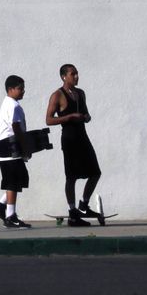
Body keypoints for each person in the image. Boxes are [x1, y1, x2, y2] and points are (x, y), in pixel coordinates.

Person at [45, 63, 102, 224]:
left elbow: (86, 113)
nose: (76, 77)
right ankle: (72, 211)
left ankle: (83, 204)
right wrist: (69, 117)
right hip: (69, 139)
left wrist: (86, 117)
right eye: (73, 74)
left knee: (95, 172)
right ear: (64, 76)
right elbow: (49, 119)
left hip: (82, 136)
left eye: (77, 73)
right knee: (71, 176)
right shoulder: (57, 95)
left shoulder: (81, 93)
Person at [0, 75, 32, 228]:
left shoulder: (9, 103)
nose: (23, 91)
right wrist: (25, 147)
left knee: (19, 178)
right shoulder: (13, 106)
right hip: (9, 146)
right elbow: (15, 127)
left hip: (7, 146)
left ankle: (1, 206)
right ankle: (10, 216)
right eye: (20, 88)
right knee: (13, 181)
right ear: (11, 89)